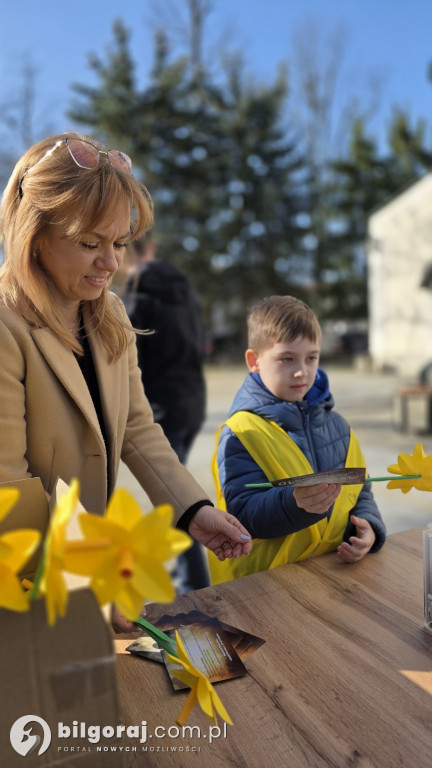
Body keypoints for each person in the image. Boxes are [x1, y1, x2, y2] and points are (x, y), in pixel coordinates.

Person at [0, 132, 251, 630]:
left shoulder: (108, 311)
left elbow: (137, 426)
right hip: (28, 581)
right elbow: (10, 489)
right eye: (90, 244)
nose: (112, 263)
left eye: (119, 243)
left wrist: (192, 509)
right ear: (34, 234)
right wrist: (95, 578)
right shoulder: (6, 326)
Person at [209, 295, 386, 584]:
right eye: (287, 359)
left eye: (311, 358)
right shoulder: (241, 432)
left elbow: (360, 489)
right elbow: (242, 515)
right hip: (263, 587)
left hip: (330, 576)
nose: (302, 371)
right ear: (254, 361)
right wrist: (295, 504)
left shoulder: (339, 426)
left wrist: (368, 527)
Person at [122, 235, 209, 592]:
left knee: (174, 501)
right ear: (153, 248)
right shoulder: (187, 294)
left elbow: (127, 364)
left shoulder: (136, 299)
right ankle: (188, 574)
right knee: (179, 490)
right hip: (193, 403)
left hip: (160, 407)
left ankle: (194, 583)